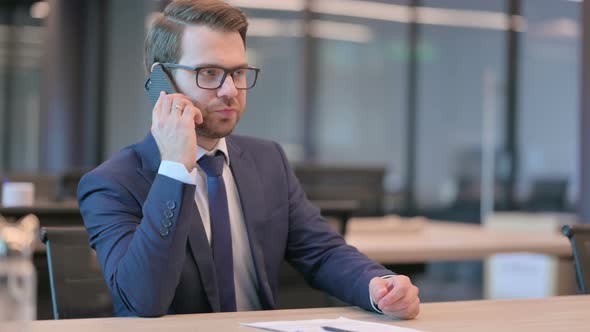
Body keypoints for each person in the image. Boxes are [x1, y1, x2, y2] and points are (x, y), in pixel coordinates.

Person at [78, 0, 420, 319]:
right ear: (160, 82)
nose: (229, 90)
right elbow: (143, 301)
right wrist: (173, 170)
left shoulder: (267, 160)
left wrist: (378, 286)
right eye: (209, 73)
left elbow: (321, 252)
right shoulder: (112, 183)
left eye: (238, 73)